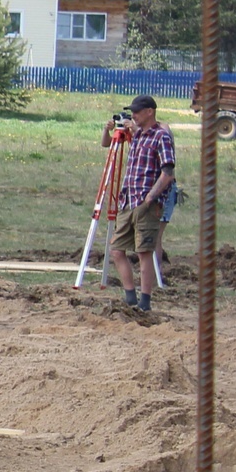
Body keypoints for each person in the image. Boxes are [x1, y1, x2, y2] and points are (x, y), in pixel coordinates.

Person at [105, 94, 175, 313]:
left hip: (146, 202)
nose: (133, 115)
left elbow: (168, 172)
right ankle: (130, 297)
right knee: (117, 250)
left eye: (137, 112)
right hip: (129, 200)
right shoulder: (138, 136)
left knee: (144, 252)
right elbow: (106, 144)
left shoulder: (160, 136)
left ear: (149, 112)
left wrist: (151, 198)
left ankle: (145, 301)